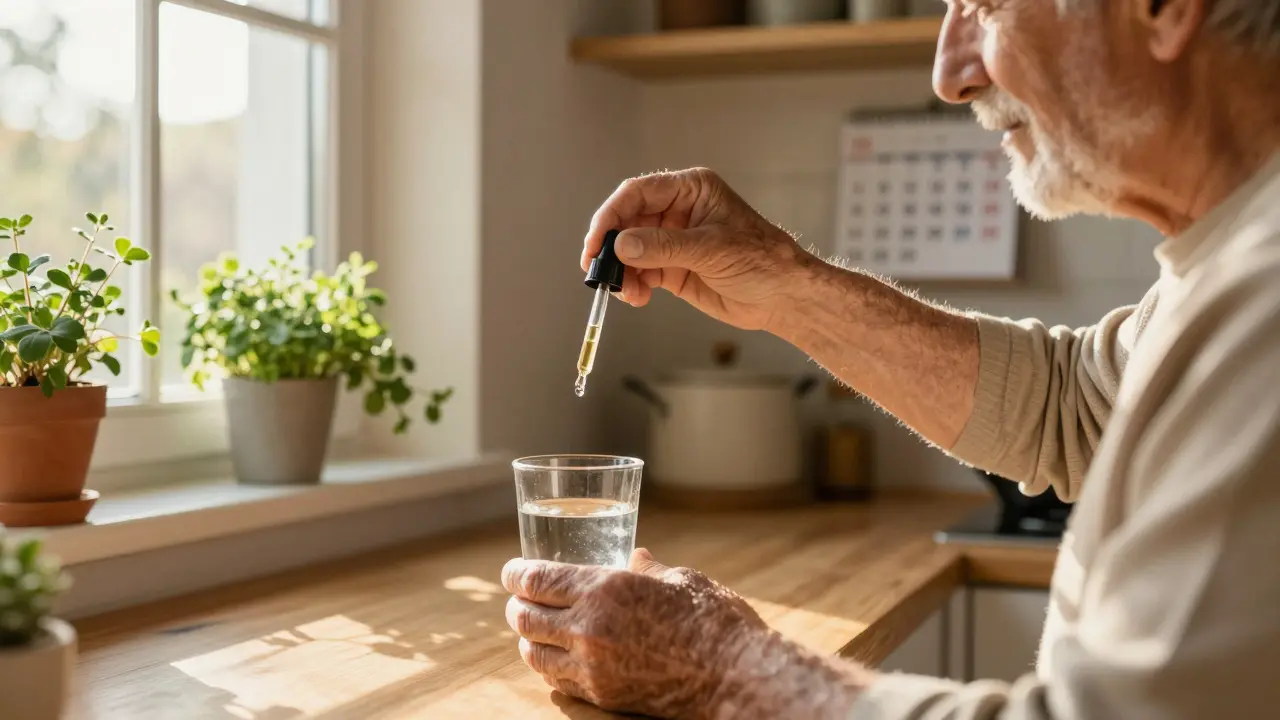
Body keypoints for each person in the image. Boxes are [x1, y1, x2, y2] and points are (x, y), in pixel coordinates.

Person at [503, 0, 1280, 717]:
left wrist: (720, 665)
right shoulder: (1231, 258)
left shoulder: (1265, 303)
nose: (949, 73)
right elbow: (1073, 408)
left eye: (984, 5)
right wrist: (788, 285)